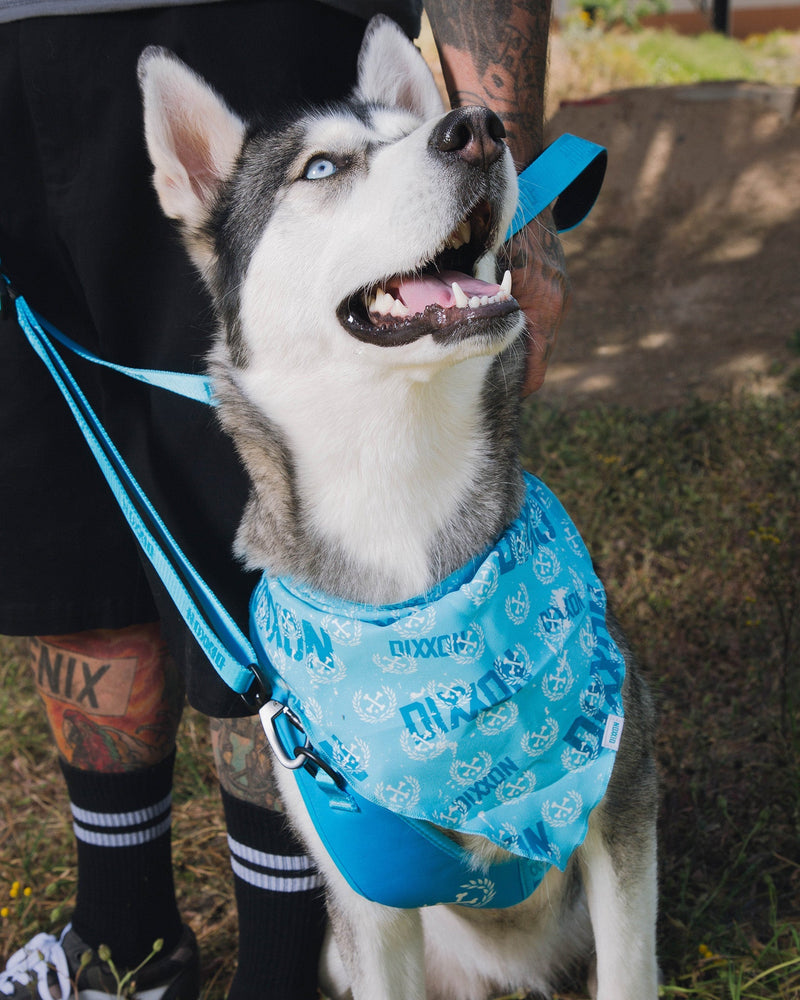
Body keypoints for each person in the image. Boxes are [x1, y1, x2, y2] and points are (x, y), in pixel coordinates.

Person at [0, 2, 568, 998]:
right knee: (63, 535)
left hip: (258, 31)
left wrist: (502, 196)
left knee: (275, 559)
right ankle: (122, 936)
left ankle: (284, 971)